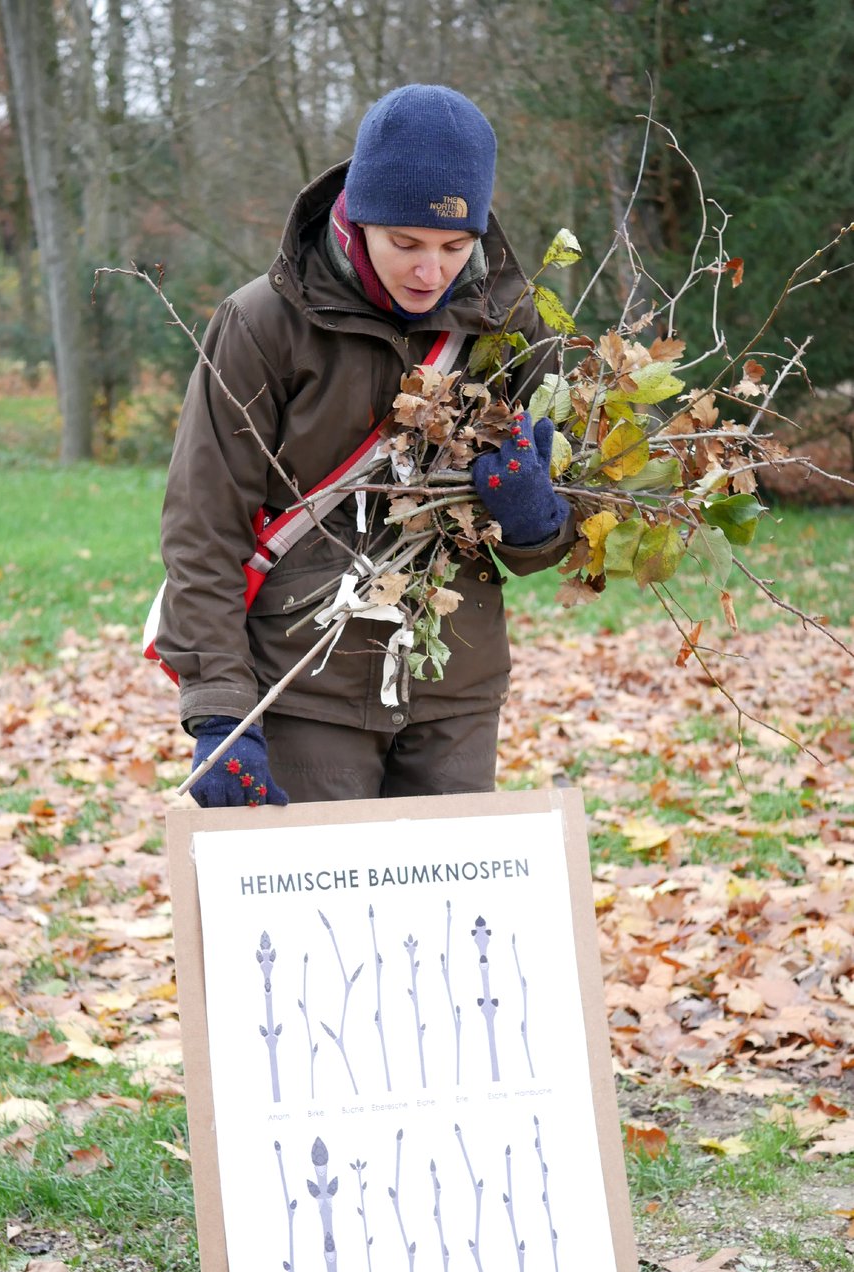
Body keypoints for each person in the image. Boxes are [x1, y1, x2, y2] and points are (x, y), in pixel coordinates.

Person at [155, 84, 575, 806]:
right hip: (304, 685)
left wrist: (538, 520)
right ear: (356, 219)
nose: (429, 271)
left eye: (453, 246)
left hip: (455, 693)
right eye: (404, 243)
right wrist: (221, 709)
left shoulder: (511, 330)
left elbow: (562, 523)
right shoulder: (262, 325)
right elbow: (204, 523)